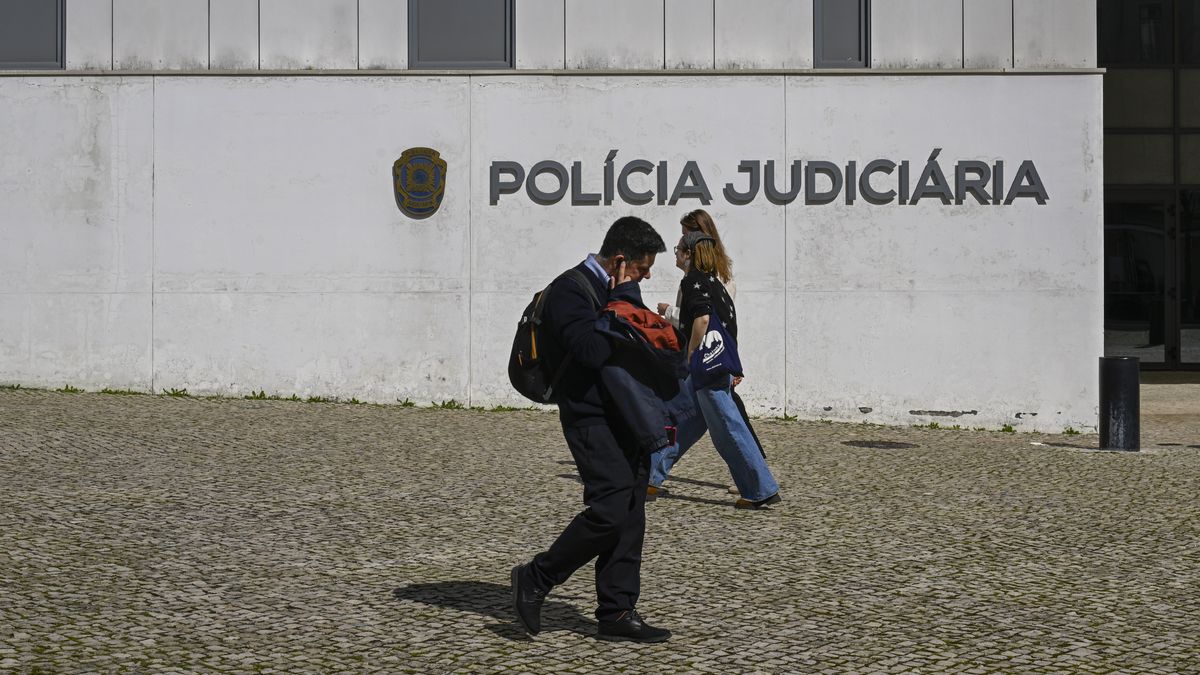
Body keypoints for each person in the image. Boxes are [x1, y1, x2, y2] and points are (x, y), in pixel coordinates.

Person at [511, 216, 673, 643]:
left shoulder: (610, 289)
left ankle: (616, 612)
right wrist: (623, 300)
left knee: (631, 511)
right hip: (588, 416)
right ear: (620, 261)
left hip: (624, 416)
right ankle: (536, 577)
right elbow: (593, 350)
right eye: (641, 268)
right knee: (610, 507)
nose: (646, 276)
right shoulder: (570, 290)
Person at [650, 230, 781, 510]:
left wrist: (691, 354)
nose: (675, 253)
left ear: (688, 254)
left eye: (678, 249)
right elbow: (729, 326)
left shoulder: (693, 281)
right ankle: (650, 475)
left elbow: (702, 318)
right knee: (684, 422)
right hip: (717, 366)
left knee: (729, 430)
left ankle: (760, 489)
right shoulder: (715, 283)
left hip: (705, 369)